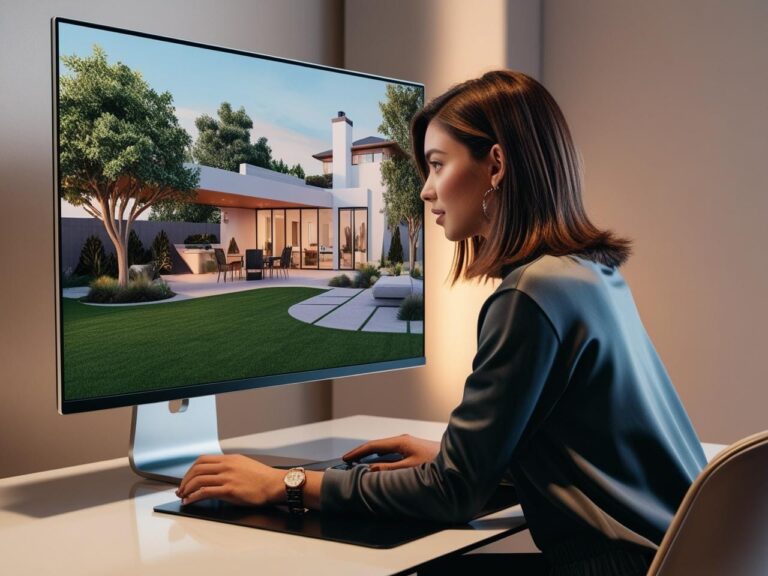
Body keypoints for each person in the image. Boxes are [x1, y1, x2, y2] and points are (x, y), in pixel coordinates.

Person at [178, 70, 707, 576]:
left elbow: (453, 494)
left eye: (436, 164)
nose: (427, 190)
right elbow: (585, 456)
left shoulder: (531, 294)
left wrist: (285, 484)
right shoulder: (588, 276)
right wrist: (458, 458)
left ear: (495, 166)